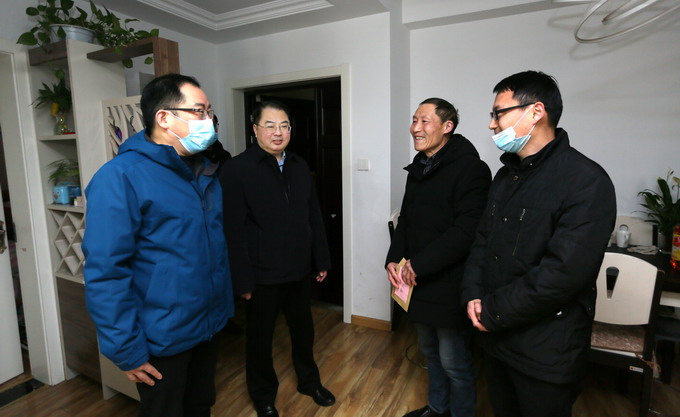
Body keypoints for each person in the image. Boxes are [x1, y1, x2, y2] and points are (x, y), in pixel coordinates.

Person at [460, 70, 616, 417]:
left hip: (545, 353)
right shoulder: (505, 176)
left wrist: (492, 310)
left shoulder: (586, 181)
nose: (491, 124)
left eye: (498, 113)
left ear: (535, 112)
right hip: (496, 340)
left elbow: (562, 274)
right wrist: (472, 294)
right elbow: (482, 242)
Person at [83, 73, 234, 417]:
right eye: (199, 111)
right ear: (164, 117)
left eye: (209, 111)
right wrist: (126, 349)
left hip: (208, 325)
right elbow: (106, 271)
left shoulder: (206, 172)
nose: (208, 120)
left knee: (200, 406)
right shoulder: (121, 176)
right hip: (162, 337)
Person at [220, 100, 335, 417]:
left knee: (303, 332)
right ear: (255, 129)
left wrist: (321, 259)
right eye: (270, 125)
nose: (278, 132)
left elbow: (313, 215)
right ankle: (263, 396)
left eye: (284, 125)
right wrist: (242, 280)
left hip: (299, 269)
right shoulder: (236, 170)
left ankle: (309, 382)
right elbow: (232, 230)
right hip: (261, 275)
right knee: (259, 340)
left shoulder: (298, 164)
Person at [386, 98, 491, 417]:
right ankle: (437, 408)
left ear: (448, 127)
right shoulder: (418, 168)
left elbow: (466, 231)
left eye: (425, 121)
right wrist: (394, 258)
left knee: (454, 362)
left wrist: (419, 264)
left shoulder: (471, 169)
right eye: (414, 120)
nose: (415, 128)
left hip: (449, 283)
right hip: (416, 281)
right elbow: (406, 220)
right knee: (430, 353)